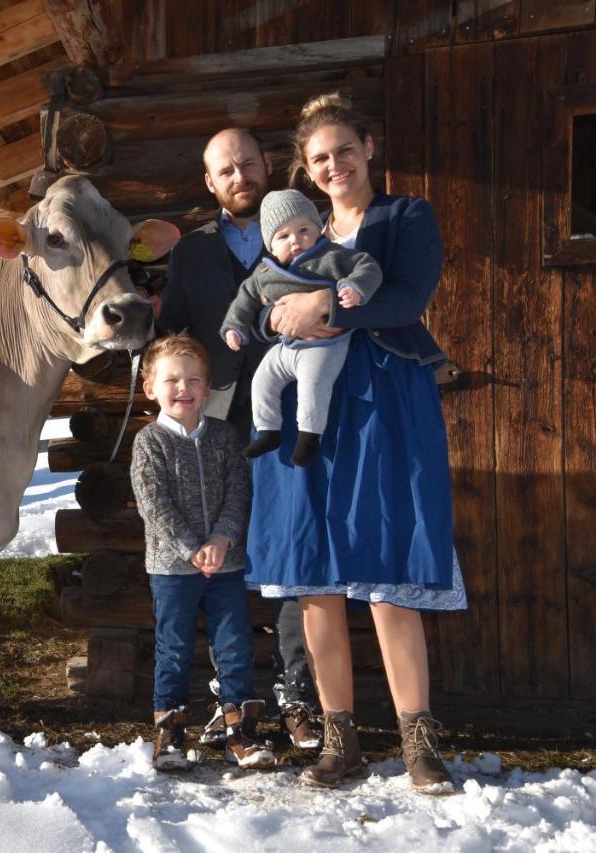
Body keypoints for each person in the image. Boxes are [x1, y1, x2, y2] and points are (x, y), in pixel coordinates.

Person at [246, 92, 467, 794]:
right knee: (315, 580)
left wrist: (324, 307)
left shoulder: (406, 217)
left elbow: (407, 297)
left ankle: (418, 741)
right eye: (319, 157)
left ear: (369, 147)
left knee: (385, 573)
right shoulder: (292, 232)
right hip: (306, 412)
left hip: (383, 402)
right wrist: (284, 315)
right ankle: (338, 739)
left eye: (344, 149)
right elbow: (259, 315)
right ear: (306, 172)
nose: (333, 164)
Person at [157, 128, 321, 752]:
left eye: (247, 164)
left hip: (292, 413)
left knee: (290, 551)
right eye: (225, 169)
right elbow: (172, 326)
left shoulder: (305, 232)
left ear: (267, 165)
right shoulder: (193, 251)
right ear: (210, 182)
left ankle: (297, 697)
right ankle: (232, 703)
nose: (239, 175)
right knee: (218, 556)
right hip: (221, 421)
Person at [130, 333, 275, 771]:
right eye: (171, 379)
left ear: (207, 388)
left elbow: (239, 493)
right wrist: (193, 548)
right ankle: (171, 733)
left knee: (233, 645)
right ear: (150, 387)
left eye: (193, 379)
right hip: (173, 569)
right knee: (173, 647)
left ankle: (240, 731)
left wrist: (221, 541)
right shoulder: (149, 443)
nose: (183, 388)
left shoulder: (225, 438)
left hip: (226, 564)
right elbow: (153, 504)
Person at [221, 189, 382, 466]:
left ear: (318, 229)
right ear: (270, 246)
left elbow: (368, 267)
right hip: (286, 344)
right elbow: (243, 301)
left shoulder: (332, 256)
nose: (295, 240)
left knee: (313, 384)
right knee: (262, 381)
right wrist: (234, 328)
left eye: (303, 229)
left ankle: (309, 437)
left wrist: (354, 287)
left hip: (324, 343)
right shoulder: (264, 273)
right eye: (283, 236)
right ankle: (267, 430)